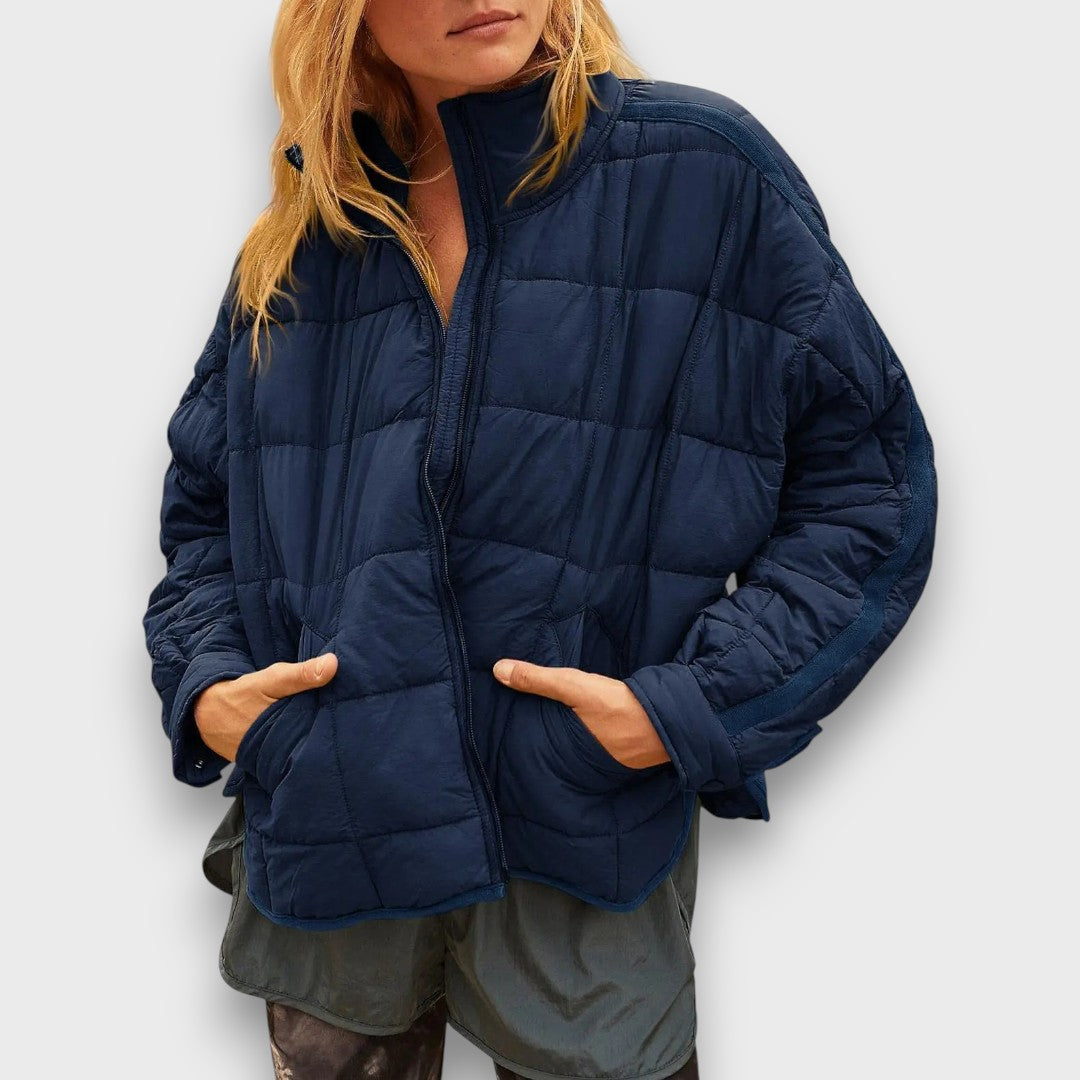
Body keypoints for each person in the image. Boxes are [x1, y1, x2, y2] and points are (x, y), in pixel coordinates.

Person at [142, 0, 939, 1077]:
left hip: (579, 830)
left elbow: (866, 489)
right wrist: (216, 691)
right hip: (331, 831)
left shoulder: (701, 174)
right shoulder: (300, 244)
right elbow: (204, 509)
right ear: (348, 19)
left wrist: (689, 706)